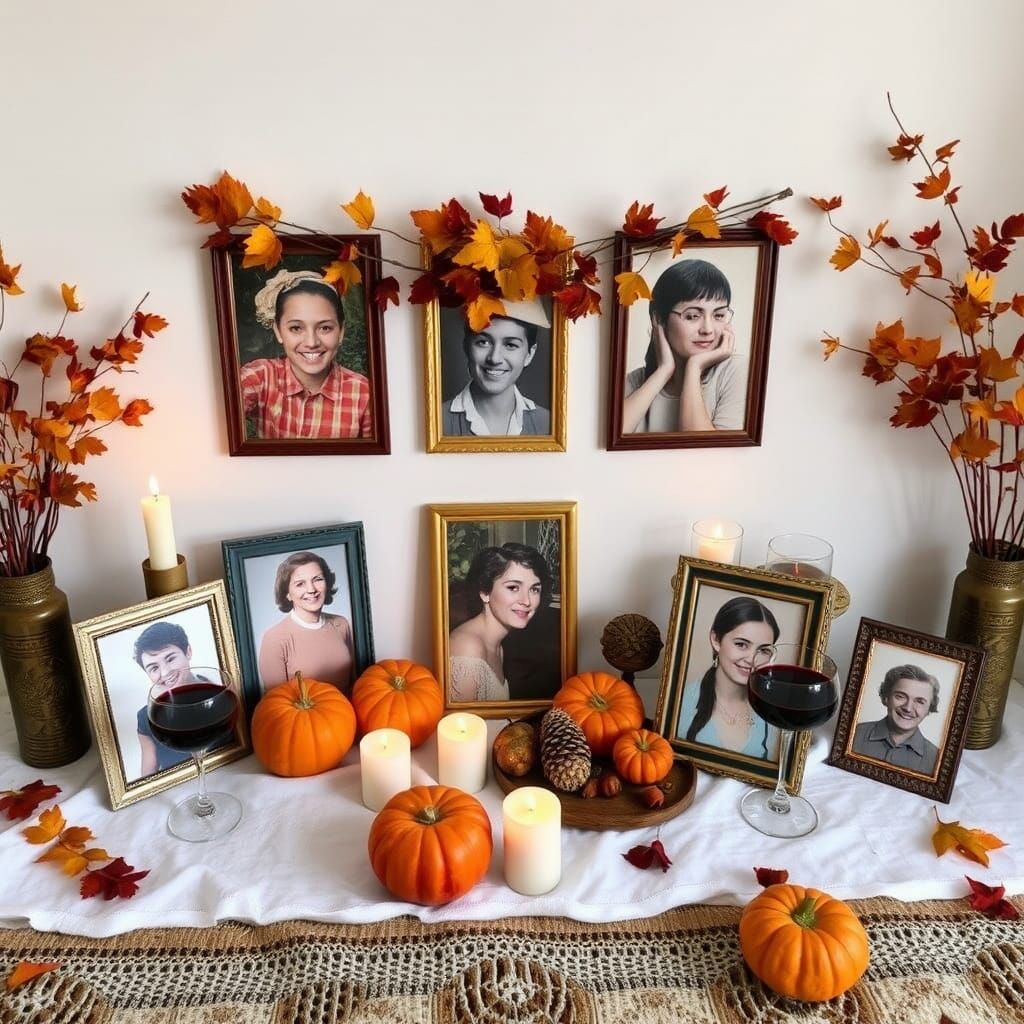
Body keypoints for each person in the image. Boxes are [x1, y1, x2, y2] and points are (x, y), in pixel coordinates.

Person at [240, 269, 372, 440]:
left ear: (341, 331)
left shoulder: (364, 393)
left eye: (325, 328)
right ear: (278, 331)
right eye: (296, 328)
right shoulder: (260, 376)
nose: (311, 342)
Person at [623, 259, 747, 433]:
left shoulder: (735, 372)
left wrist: (694, 367)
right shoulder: (636, 382)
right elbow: (603, 444)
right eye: (692, 316)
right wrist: (664, 371)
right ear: (659, 319)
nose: (708, 330)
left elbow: (705, 454)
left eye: (718, 315)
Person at [678, 596, 779, 757]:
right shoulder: (679, 702)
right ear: (716, 640)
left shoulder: (773, 714)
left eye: (763, 650)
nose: (751, 659)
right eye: (741, 644)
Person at [448, 543, 550, 702]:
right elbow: (458, 724)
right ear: (485, 592)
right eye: (513, 587)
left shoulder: (498, 647)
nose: (527, 601)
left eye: (534, 589)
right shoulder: (467, 648)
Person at [442, 299, 551, 436]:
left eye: (510, 345)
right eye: (483, 342)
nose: (494, 358)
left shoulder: (549, 424)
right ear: (466, 346)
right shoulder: (437, 423)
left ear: (530, 353)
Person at [258, 551, 355, 694]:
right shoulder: (274, 639)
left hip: (348, 713)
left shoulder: (341, 624)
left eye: (317, 579)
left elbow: (355, 683)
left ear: (327, 583)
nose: (311, 590)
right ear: (287, 594)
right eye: (300, 584)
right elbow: (276, 703)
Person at [134, 621, 207, 776]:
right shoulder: (146, 717)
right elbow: (148, 778)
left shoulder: (224, 693)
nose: (165, 672)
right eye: (154, 668)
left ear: (188, 652)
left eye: (170, 658)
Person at [851, 664, 941, 775]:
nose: (908, 708)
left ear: (929, 709)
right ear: (886, 698)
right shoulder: (852, 734)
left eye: (919, 701)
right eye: (900, 696)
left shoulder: (936, 760)